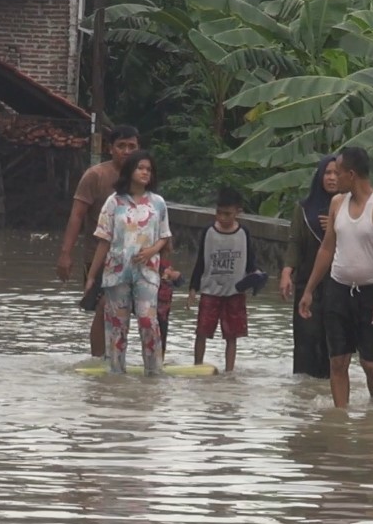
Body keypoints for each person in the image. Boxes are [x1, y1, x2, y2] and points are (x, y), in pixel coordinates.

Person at [298, 146, 373, 408]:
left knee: (370, 363)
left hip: (370, 292)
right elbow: (327, 248)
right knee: (338, 361)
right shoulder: (337, 204)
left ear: (351, 175)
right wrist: (309, 289)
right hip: (337, 290)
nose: (334, 178)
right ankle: (341, 418)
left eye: (339, 173)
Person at [56, 125, 140, 357]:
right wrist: (65, 254)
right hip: (99, 256)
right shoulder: (96, 176)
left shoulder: (143, 177)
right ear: (110, 148)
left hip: (134, 257)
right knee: (104, 307)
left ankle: (119, 357)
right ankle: (98, 359)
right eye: (121, 146)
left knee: (127, 310)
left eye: (131, 146)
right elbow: (77, 215)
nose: (126, 151)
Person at [85, 150, 171, 375]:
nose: (145, 173)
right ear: (130, 171)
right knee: (117, 326)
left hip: (147, 272)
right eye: (140, 168)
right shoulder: (113, 202)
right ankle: (116, 375)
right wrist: (92, 275)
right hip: (117, 272)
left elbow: (164, 236)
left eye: (149, 169)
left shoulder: (158, 203)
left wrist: (152, 250)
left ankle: (154, 373)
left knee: (148, 321)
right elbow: (104, 240)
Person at [280, 154, 339, 379]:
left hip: (338, 283)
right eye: (327, 173)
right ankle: (303, 389)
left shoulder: (350, 209)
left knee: (333, 341)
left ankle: (330, 386)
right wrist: (287, 271)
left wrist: (334, 226)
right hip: (307, 283)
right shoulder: (304, 209)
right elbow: (295, 241)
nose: (332, 178)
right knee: (306, 338)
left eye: (336, 173)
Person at [188, 187, 257, 372]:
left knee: (231, 335)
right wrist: (193, 288)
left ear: (237, 212)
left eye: (227, 214)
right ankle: (197, 365)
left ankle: (229, 371)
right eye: (219, 213)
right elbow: (201, 261)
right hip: (210, 290)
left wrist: (255, 279)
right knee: (202, 331)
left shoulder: (244, 233)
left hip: (235, 292)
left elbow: (250, 262)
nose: (222, 218)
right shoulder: (208, 232)